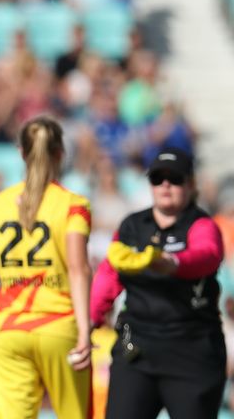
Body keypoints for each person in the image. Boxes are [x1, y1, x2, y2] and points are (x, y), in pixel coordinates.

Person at [91, 147, 226, 419]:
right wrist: (88, 324)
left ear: (190, 184)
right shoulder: (132, 226)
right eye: (157, 178)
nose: (165, 185)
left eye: (174, 178)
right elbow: (109, 275)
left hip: (191, 349)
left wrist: (173, 263)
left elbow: (208, 255)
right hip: (136, 347)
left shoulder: (200, 224)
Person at [0, 116, 92, 418]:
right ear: (60, 154)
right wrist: (83, 331)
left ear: (20, 153)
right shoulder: (72, 204)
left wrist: (8, 309)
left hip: (10, 331)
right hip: (59, 325)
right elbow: (79, 270)